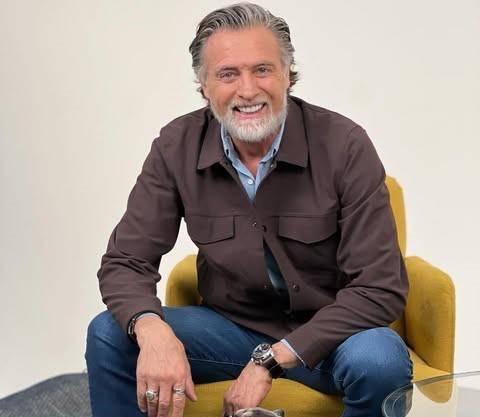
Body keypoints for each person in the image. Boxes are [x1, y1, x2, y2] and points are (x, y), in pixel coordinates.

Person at [85, 3, 412, 417]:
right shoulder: (175, 146)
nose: (248, 90)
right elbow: (125, 261)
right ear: (203, 85)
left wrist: (271, 360)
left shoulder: (344, 145)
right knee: (109, 333)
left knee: (380, 361)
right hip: (229, 331)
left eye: (262, 69)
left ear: (288, 74)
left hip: (333, 338)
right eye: (227, 74)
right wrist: (152, 331)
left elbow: (380, 287)